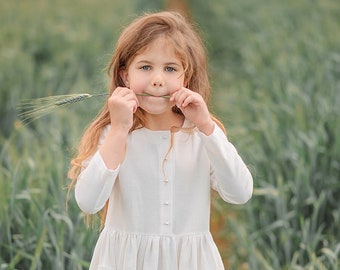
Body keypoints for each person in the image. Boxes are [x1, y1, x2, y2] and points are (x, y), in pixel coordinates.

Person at [68, 11, 253, 270]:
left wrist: (206, 126)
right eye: (145, 67)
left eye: (170, 69)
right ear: (125, 76)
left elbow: (240, 193)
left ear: (185, 79)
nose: (157, 80)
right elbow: (88, 201)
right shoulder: (113, 135)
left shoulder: (202, 135)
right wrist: (120, 129)